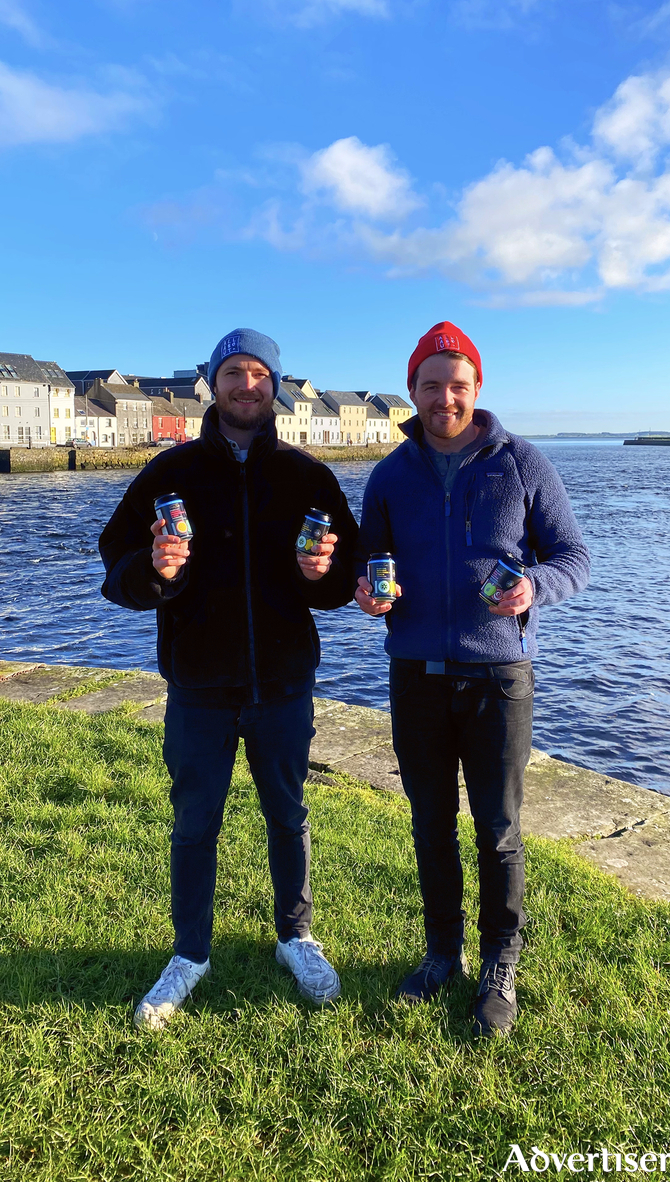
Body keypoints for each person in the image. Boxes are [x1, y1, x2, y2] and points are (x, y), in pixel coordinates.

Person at [100, 328, 358, 1029]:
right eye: (234, 373)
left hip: (283, 685)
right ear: (213, 383)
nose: (248, 385)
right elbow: (114, 561)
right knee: (194, 823)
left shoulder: (309, 477)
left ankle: (296, 937)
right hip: (197, 688)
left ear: (277, 384)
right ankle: (190, 953)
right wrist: (154, 570)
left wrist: (323, 574)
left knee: (289, 815)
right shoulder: (168, 474)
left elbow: (345, 577)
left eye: (260, 374)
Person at [355, 321, 590, 1037]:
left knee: (499, 828)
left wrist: (534, 588)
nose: (445, 399)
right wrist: (367, 594)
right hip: (415, 677)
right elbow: (369, 564)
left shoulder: (522, 464)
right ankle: (440, 953)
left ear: (477, 388)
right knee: (430, 823)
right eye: (431, 386)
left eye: (458, 385)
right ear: (413, 391)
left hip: (499, 679)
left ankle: (499, 963)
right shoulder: (390, 475)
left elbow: (574, 557)